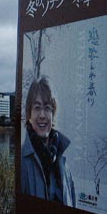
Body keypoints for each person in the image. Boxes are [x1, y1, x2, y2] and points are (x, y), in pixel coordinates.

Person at [21, 76, 76, 206]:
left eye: (47, 108)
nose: (42, 115)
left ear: (53, 113)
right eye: (37, 108)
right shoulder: (22, 161)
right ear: (29, 114)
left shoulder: (62, 159)